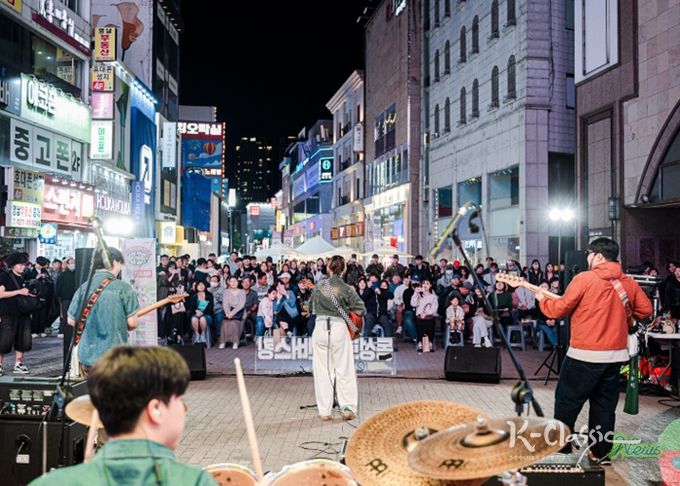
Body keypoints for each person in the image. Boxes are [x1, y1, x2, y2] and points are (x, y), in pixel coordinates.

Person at [536, 237, 653, 462]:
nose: (587, 258)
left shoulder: (584, 279)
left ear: (598, 256)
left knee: (567, 402)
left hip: (583, 354)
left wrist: (542, 300)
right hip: (614, 357)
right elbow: (646, 310)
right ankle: (600, 453)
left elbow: (558, 310)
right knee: (604, 406)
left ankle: (561, 449)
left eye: (589, 254)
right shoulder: (628, 281)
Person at [29, 345, 215, 486]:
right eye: (178, 399)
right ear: (156, 409)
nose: (182, 409)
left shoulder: (50, 483)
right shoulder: (194, 481)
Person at [309, 256, 366, 421]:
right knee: (344, 369)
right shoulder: (347, 288)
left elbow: (310, 308)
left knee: (323, 371)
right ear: (344, 270)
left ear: (328, 268)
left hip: (320, 327)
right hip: (339, 328)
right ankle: (347, 408)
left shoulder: (319, 286)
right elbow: (361, 309)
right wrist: (346, 310)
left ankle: (324, 411)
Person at [0, 252, 36, 375]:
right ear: (12, 265)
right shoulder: (4, 276)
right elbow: (1, 294)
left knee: (23, 340)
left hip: (23, 313)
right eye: (20, 264)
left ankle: (18, 363)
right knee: (4, 340)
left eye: (24, 264)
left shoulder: (25, 277)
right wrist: (19, 291)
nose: (23, 267)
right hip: (8, 313)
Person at [56, 257, 76, 363]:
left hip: (73, 299)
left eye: (73, 262)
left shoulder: (77, 274)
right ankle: (64, 331)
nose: (72, 264)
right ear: (66, 264)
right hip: (66, 299)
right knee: (66, 317)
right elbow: (58, 288)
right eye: (70, 262)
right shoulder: (63, 275)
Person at [411, 279, 438, 353]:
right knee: (420, 325)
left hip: (429, 316)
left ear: (430, 285)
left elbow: (434, 308)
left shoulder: (433, 296)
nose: (425, 285)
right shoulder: (419, 295)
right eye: (423, 283)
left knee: (430, 324)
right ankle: (420, 343)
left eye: (427, 283)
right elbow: (413, 304)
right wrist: (416, 293)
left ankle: (430, 343)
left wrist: (426, 313)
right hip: (419, 316)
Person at [220, 276, 245, 349]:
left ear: (238, 282)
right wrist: (227, 313)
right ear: (229, 283)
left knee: (234, 323)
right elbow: (225, 303)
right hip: (228, 311)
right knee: (225, 322)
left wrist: (232, 313)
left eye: (235, 281)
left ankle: (235, 342)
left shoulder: (242, 292)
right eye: (231, 281)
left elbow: (241, 305)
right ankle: (223, 342)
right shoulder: (226, 291)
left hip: (239, 312)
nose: (233, 283)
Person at [208, 275, 224, 344]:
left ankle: (219, 335)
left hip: (218, 309)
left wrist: (215, 295)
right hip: (208, 310)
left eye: (215, 281)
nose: (213, 282)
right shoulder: (207, 289)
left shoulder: (222, 290)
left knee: (219, 318)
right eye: (212, 281)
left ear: (218, 282)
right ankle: (210, 337)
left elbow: (223, 300)